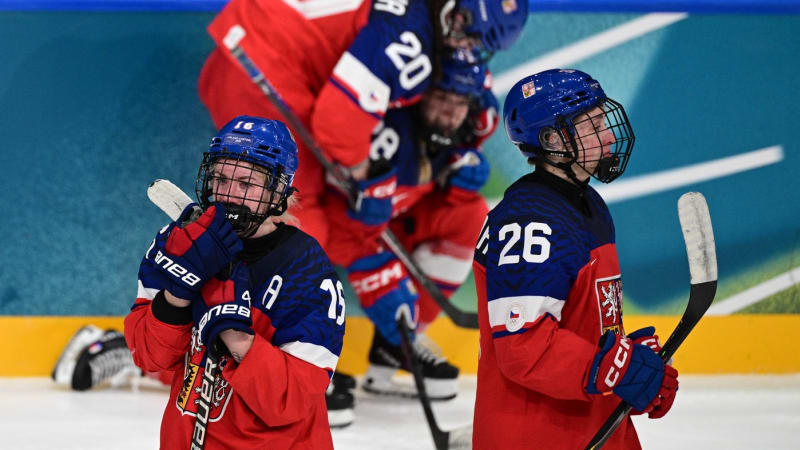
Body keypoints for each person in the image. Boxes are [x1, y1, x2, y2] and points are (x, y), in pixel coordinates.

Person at [197, 0, 527, 247]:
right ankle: (236, 310)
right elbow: (338, 124)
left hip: (244, 49)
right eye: (465, 29)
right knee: (297, 220)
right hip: (264, 72)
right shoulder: (414, 41)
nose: (463, 45)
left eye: (476, 42)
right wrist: (368, 180)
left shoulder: (420, 16)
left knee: (287, 204)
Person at [471, 69, 680, 449]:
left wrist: (626, 361)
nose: (609, 136)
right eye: (594, 124)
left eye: (604, 120)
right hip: (537, 434)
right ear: (552, 139)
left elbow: (582, 320)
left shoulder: (587, 204)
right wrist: (613, 368)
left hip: (591, 424)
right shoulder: (529, 219)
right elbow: (523, 347)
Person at [124, 116, 346, 449]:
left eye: (246, 183)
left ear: (278, 192)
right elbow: (148, 356)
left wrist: (237, 336)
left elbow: (292, 400)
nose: (228, 193)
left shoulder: (306, 269)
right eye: (221, 178)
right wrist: (179, 292)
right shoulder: (176, 245)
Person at [323, 52, 495, 406]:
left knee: (471, 213)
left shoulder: (478, 117)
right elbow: (334, 213)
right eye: (441, 98)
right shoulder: (386, 131)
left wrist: (461, 166)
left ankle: (397, 348)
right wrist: (375, 270)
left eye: (459, 102)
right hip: (340, 225)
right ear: (420, 95)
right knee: (292, 249)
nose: (449, 112)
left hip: (390, 220)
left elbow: (454, 151)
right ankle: (292, 360)